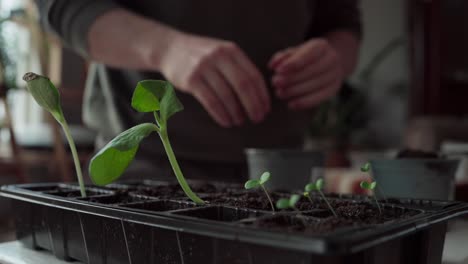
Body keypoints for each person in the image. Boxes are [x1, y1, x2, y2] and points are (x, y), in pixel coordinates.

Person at [36, 1, 361, 182]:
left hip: (283, 169)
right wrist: (164, 48)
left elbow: (342, 20)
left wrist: (335, 57)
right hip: (148, 167)